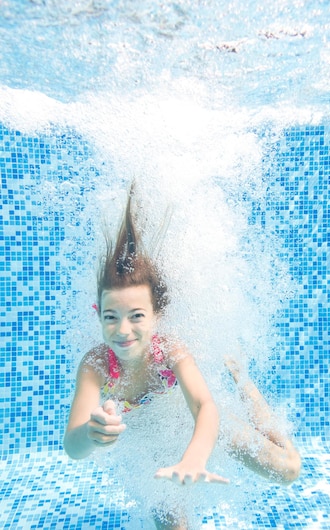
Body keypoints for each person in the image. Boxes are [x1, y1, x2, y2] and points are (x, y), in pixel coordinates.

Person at [64, 186, 301, 530]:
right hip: (152, 448)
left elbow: (205, 407)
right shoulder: (97, 365)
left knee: (289, 471)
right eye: (111, 316)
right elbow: (73, 445)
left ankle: (242, 380)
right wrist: (90, 433)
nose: (123, 330)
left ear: (157, 316)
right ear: (98, 314)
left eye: (137, 316)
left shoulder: (169, 351)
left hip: (200, 428)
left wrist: (194, 457)